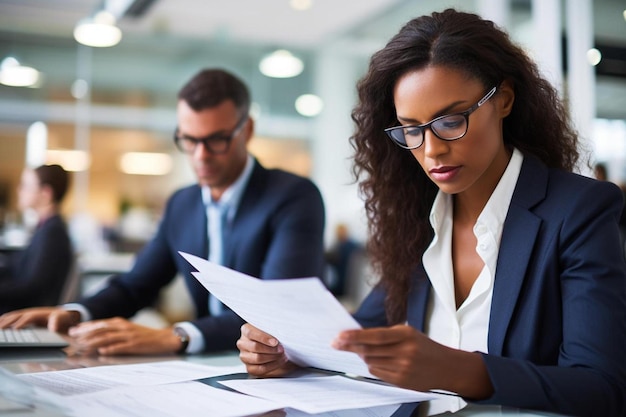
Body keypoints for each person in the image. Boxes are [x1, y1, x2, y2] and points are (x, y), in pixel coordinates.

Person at [236, 9, 626, 417]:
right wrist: (289, 351)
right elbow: (363, 333)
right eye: (412, 128)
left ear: (504, 100)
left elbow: (601, 387)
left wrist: (458, 369)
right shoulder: (416, 216)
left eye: (451, 120)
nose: (431, 149)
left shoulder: (577, 211)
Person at [0, 68, 326, 356]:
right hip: (207, 362)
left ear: (248, 130)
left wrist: (178, 335)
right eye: (188, 139)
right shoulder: (182, 204)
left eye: (216, 140)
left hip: (274, 367)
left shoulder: (293, 196)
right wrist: (75, 312)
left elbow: (280, 310)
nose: (200, 156)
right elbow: (136, 285)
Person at [0, 164, 73, 314]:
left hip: (24, 315)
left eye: (25, 186)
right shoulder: (45, 228)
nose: (19, 190)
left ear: (45, 194)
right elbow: (18, 267)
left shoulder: (52, 233)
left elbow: (31, 288)